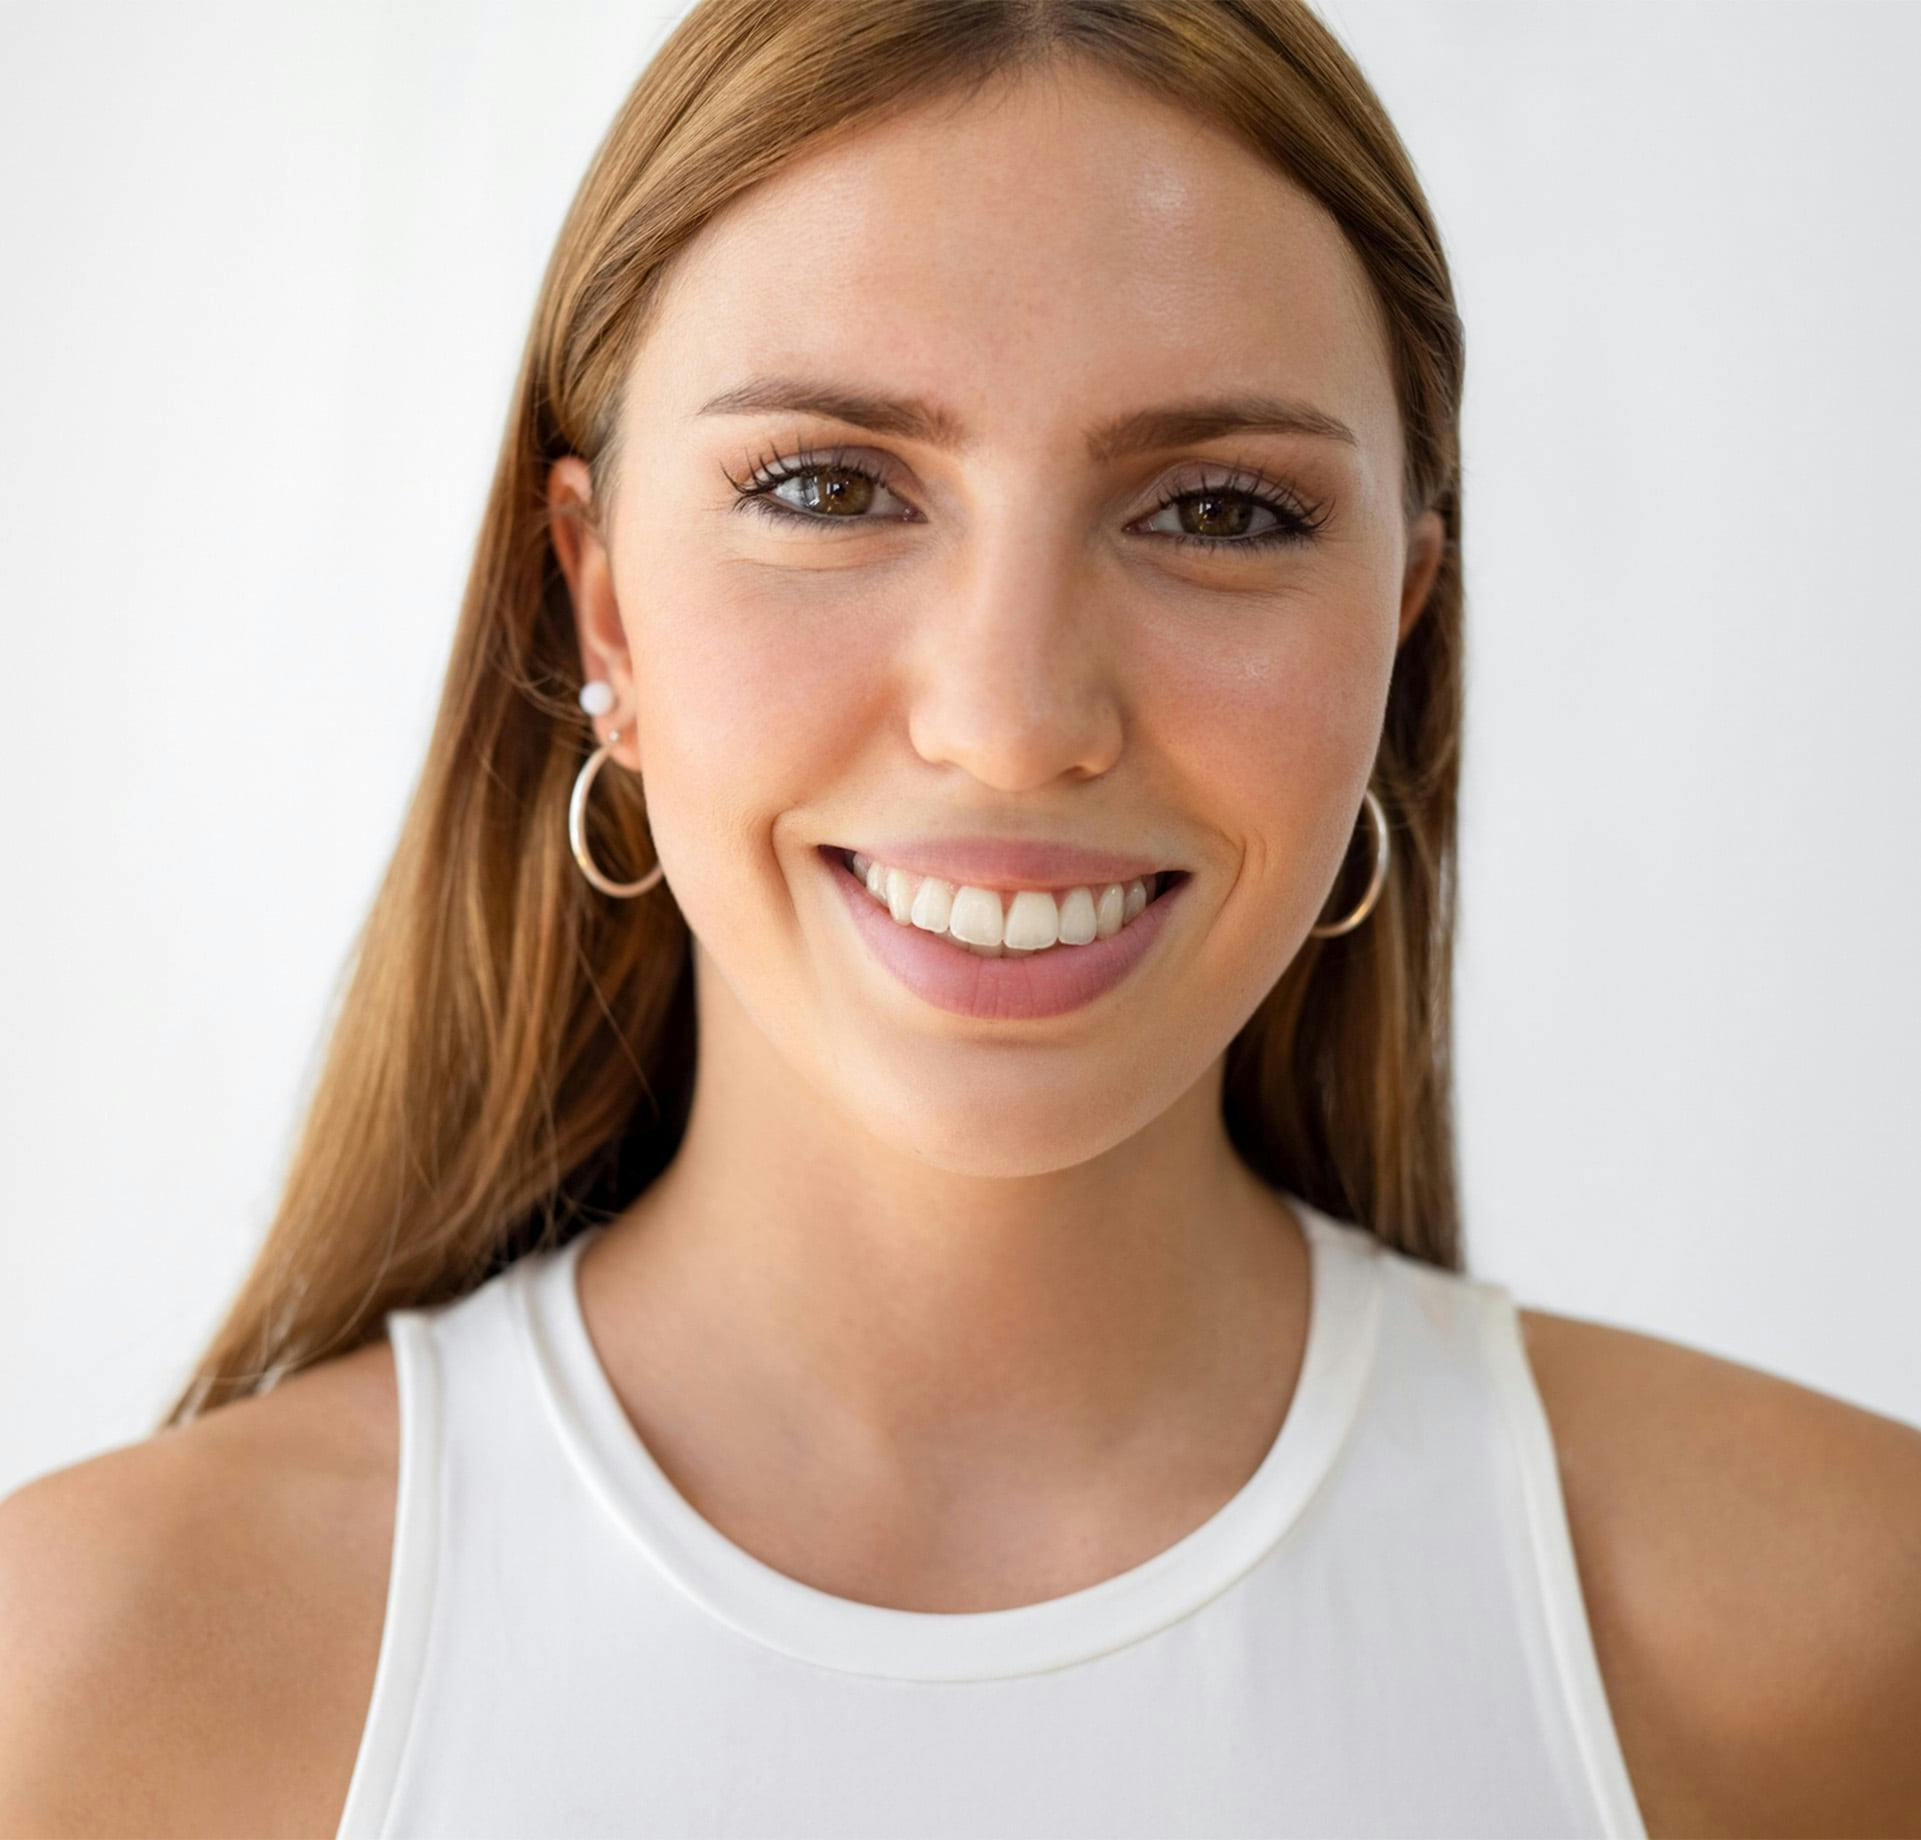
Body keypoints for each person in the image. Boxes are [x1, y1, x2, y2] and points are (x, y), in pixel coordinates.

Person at [5, 2, 1920, 1835]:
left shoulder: (1836, 1632)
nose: (1011, 726)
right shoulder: (94, 1681)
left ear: (1397, 635)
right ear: (601, 607)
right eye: (832, 486)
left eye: (1222, 511)